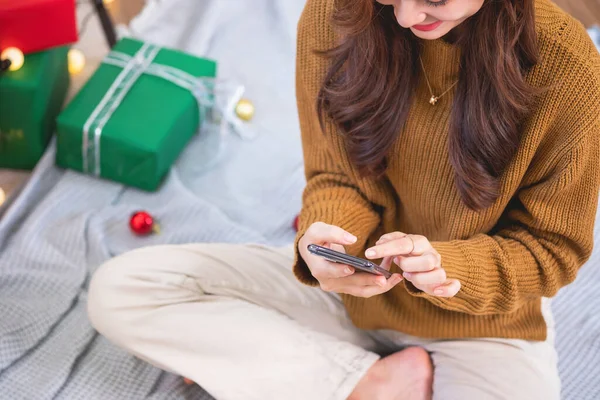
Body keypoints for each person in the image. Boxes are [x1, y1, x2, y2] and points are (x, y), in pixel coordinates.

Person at [87, 0, 600, 399]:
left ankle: (294, 375)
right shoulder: (339, 16)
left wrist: (446, 266)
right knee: (121, 291)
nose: (403, 16)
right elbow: (336, 175)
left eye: (434, 0)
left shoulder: (569, 73)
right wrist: (326, 237)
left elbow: (550, 250)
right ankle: (365, 385)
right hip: (351, 294)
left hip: (481, 323)